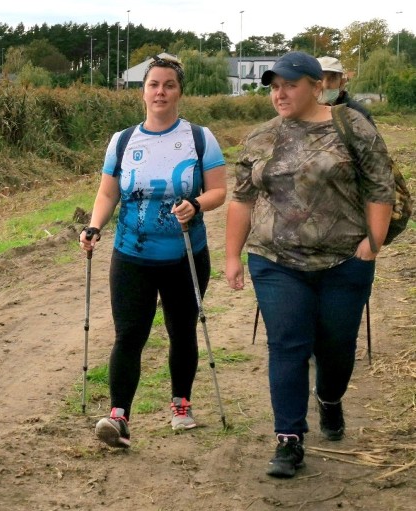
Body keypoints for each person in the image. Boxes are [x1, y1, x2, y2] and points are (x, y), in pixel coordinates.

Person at [225, 51, 394, 478]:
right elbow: (243, 199)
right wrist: (232, 256)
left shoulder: (352, 126)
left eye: (290, 84)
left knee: (337, 345)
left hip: (344, 260)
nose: (279, 93)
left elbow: (380, 185)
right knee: (287, 343)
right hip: (275, 259)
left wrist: (372, 244)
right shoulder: (260, 137)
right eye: (274, 86)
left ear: (317, 86)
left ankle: (331, 400)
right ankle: (289, 439)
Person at [79, 55, 227, 448]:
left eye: (169, 85)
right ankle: (118, 417)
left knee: (182, 331)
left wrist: (196, 204)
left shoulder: (200, 137)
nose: (160, 91)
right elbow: (108, 192)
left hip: (185, 255)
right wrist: (94, 226)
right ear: (143, 90)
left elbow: (218, 191)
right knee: (129, 334)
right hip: (131, 255)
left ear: (180, 91)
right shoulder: (123, 140)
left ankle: (181, 404)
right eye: (153, 84)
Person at [317, 56, 374, 125]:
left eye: (332, 79)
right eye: (319, 78)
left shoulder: (357, 112)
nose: (325, 85)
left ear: (342, 82)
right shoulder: (305, 110)